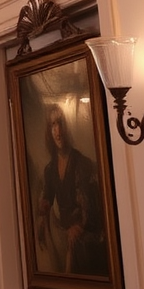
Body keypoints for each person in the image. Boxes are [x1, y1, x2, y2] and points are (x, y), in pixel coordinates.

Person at [35, 102, 106, 276]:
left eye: (60, 124)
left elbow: (90, 208)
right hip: (63, 231)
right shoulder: (50, 169)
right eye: (53, 126)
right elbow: (48, 196)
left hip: (85, 233)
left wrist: (79, 227)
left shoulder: (82, 163)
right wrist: (42, 215)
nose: (57, 131)